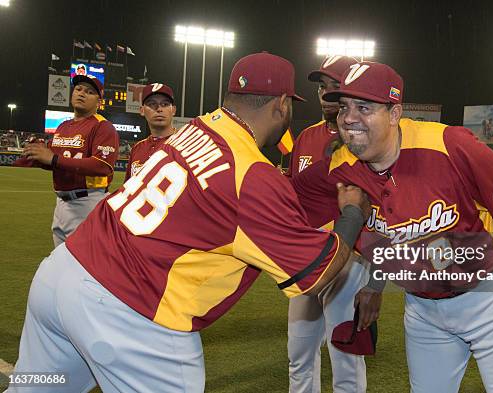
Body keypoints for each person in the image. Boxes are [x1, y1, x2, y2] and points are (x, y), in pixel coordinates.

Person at [7, 52, 371, 393]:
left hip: (59, 279)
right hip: (130, 312)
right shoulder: (253, 175)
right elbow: (316, 273)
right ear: (282, 104)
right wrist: (353, 211)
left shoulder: (197, 127)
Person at [291, 61, 493, 393]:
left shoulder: (450, 145)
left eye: (364, 107)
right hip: (424, 306)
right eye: (344, 107)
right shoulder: (340, 168)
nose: (349, 117)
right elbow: (284, 200)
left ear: (394, 113)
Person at [286, 55, 371, 393]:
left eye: (334, 86)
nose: (325, 93)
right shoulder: (305, 136)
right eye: (322, 86)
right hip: (306, 257)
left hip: (347, 258)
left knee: (345, 357)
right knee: (298, 352)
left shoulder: (365, 138)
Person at [16, 74, 118, 246]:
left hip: (88, 202)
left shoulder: (103, 126)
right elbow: (53, 161)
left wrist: (53, 159)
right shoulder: (63, 127)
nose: (82, 93)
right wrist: (34, 156)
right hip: (62, 203)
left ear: (99, 102)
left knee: (83, 265)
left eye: (90, 92)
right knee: (61, 262)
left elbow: (102, 166)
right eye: (78, 89)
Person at [125, 83, 177, 182]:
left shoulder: (186, 144)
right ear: (142, 110)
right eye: (152, 104)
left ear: (173, 110)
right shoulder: (137, 148)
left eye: (165, 104)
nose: (159, 109)